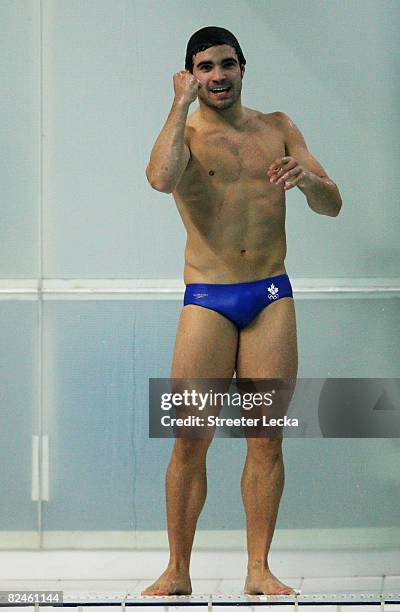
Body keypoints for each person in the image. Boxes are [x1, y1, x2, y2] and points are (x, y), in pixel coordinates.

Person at [143, 26, 342, 597]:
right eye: (204, 68)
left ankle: (258, 569)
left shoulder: (277, 127)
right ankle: (177, 569)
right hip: (208, 297)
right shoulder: (184, 134)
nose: (218, 76)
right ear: (190, 75)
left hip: (270, 296)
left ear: (242, 67)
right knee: (190, 437)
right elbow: (159, 179)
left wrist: (307, 181)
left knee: (266, 438)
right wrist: (178, 106)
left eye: (226, 64)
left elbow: (333, 205)